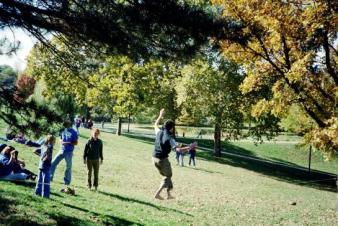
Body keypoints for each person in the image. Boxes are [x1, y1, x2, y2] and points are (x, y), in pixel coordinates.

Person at [152, 108, 197, 200]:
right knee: (167, 176)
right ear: (172, 128)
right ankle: (157, 194)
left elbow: (155, 124)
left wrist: (160, 116)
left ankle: (169, 195)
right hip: (162, 160)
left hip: (153, 158)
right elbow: (178, 150)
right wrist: (190, 147)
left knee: (168, 176)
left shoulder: (159, 132)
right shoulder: (169, 138)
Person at [50, 120, 78, 191]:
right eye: (65, 124)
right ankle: (50, 177)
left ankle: (67, 182)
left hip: (69, 151)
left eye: (66, 124)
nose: (65, 125)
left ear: (70, 124)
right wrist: (61, 141)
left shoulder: (74, 132)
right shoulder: (63, 130)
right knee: (53, 163)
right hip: (61, 150)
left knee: (68, 166)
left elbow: (76, 142)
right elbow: (60, 138)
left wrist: (68, 142)